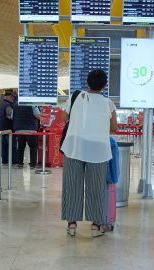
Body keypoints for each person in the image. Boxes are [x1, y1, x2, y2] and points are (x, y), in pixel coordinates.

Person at [60, 69, 117, 238]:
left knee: (72, 185)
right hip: (98, 150)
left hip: (74, 146)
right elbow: (113, 128)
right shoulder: (109, 104)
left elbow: (64, 117)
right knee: (96, 187)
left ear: (87, 83)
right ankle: (96, 225)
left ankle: (71, 224)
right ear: (105, 86)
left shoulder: (75, 97)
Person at [12, 102, 41, 169]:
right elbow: (37, 115)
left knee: (21, 146)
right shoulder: (32, 104)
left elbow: (12, 116)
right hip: (30, 129)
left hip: (18, 129)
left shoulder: (16, 104)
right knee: (33, 146)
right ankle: (33, 163)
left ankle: (19, 163)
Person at [0, 90, 17, 165]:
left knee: (4, 146)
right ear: (7, 97)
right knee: (12, 146)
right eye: (11, 97)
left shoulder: (1, 104)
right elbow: (10, 115)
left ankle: (5, 161)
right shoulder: (8, 105)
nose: (12, 99)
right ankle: (14, 161)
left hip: (1, 129)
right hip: (8, 128)